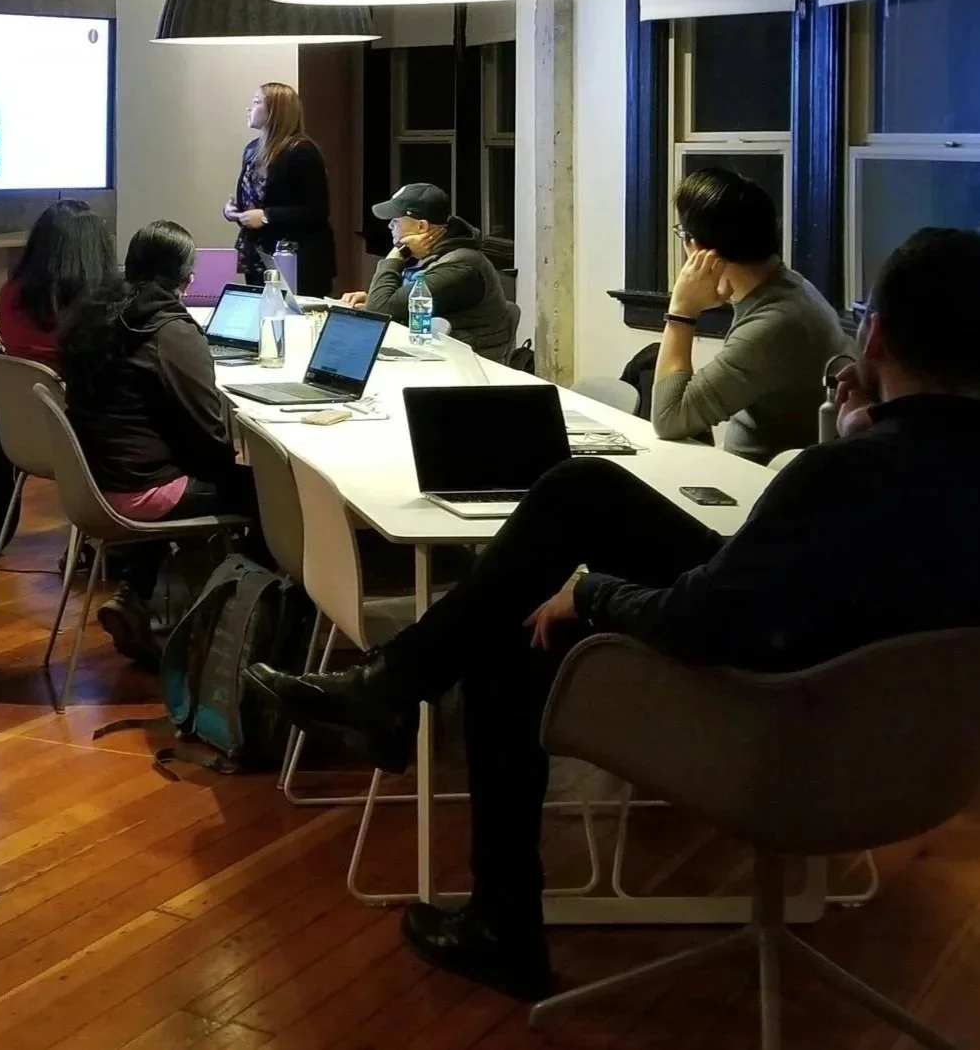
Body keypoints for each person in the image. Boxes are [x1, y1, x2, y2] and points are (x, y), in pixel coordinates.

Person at [247, 226, 980, 1003]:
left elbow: (699, 621)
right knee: (582, 487)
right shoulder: (889, 467)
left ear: (876, 334)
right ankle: (395, 687)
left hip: (773, 720)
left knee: (517, 636)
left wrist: (592, 594)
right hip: (904, 739)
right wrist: (873, 431)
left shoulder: (842, 477)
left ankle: (498, 913)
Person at [60, 220, 262, 652]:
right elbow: (209, 437)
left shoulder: (94, 315)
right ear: (187, 279)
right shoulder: (170, 330)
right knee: (271, 495)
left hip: (94, 481)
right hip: (142, 491)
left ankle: (134, 593)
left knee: (185, 461)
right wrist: (245, 454)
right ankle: (236, 628)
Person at [651, 167, 851, 460]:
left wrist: (681, 312)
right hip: (751, 470)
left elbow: (668, 419)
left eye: (684, 234)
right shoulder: (791, 286)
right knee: (646, 363)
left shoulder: (774, 324)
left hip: (755, 485)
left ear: (699, 250)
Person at [344, 182, 513, 362]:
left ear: (422, 227)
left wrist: (398, 252)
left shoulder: (460, 266)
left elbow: (379, 312)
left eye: (395, 221)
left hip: (465, 371)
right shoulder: (431, 256)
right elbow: (392, 306)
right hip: (434, 356)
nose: (389, 226)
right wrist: (377, 298)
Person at [225, 82, 336, 296]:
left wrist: (267, 216)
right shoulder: (251, 150)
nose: (249, 108)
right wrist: (233, 211)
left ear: (275, 111)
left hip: (298, 258)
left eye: (256, 102)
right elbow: (256, 201)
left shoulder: (302, 151)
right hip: (258, 254)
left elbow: (317, 210)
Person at [0, 198, 118, 367]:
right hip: (76, 392)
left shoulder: (9, 294)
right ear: (97, 252)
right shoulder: (100, 310)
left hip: (19, 391)